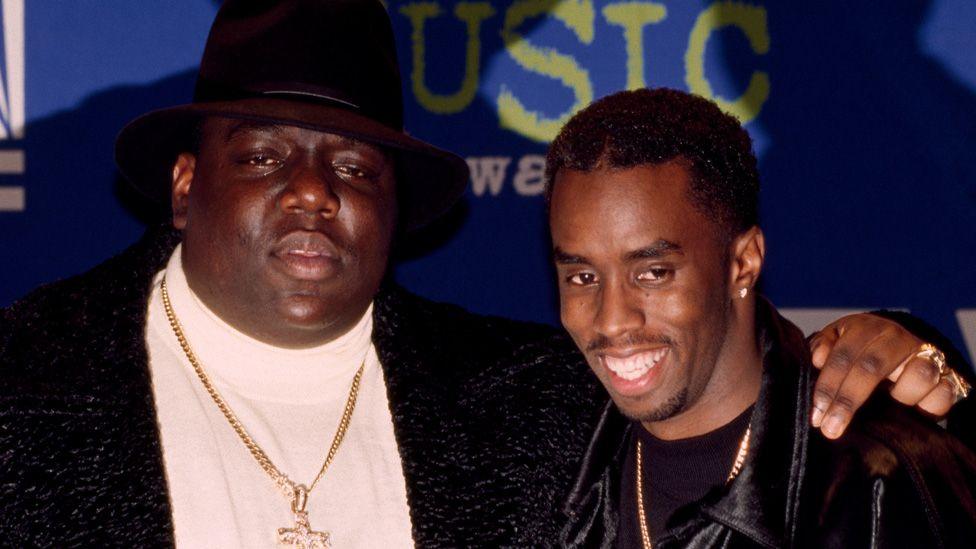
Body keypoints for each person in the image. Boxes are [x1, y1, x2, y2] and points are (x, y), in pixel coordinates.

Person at [0, 1, 967, 546]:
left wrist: (889, 344)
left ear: (395, 205)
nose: (311, 196)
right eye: (260, 157)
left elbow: (727, 387)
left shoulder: (524, 396)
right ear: (183, 184)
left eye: (352, 167)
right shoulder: (24, 388)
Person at [546, 88, 976, 547]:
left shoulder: (870, 485)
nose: (612, 321)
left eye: (654, 273)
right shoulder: (547, 456)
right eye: (582, 277)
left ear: (743, 263)